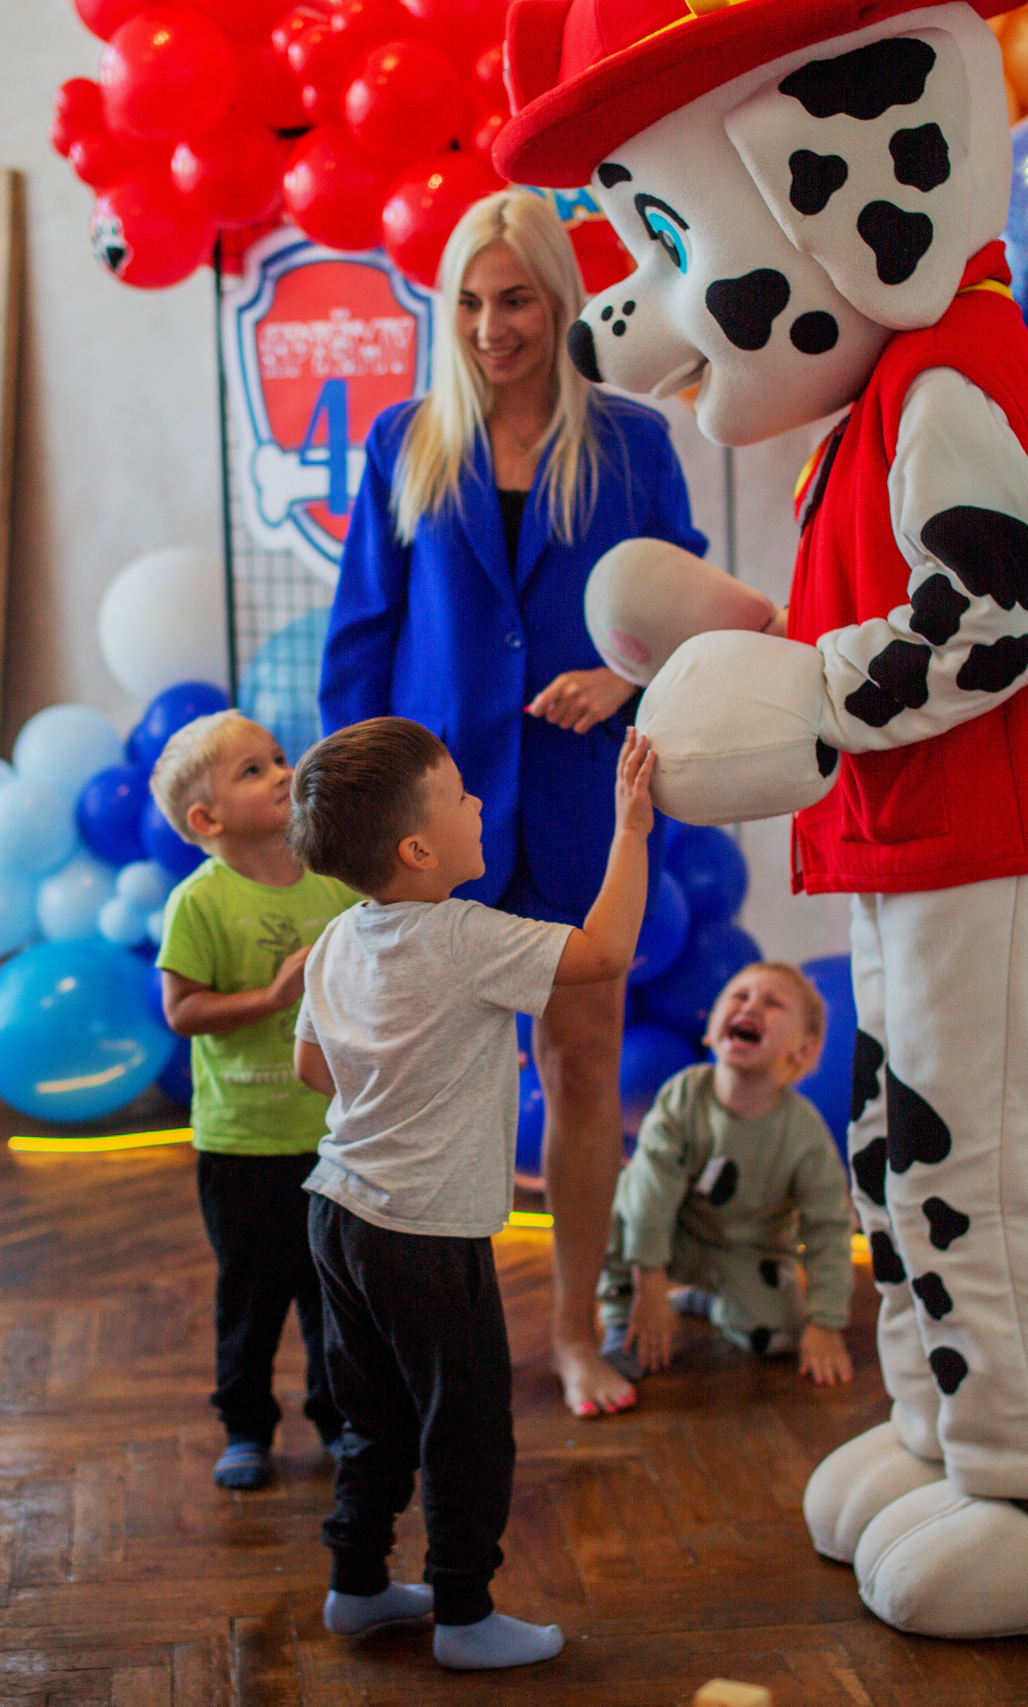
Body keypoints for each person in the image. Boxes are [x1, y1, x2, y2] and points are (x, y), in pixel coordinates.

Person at [322, 189, 707, 1420]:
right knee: (422, 1087)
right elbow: (363, 636)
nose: (494, 327)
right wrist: (354, 825)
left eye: (518, 300)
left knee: (582, 1069)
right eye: (472, 304)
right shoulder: (402, 441)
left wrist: (623, 675)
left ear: (558, 298)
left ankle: (573, 1332)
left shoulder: (635, 442)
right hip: (434, 822)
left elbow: (689, 617)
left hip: (585, 804)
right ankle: (431, 1345)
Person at [286, 716, 655, 1671]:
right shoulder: (466, 935)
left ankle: (358, 1585)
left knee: (375, 1419)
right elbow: (604, 953)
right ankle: (463, 1611)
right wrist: (631, 830)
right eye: (460, 795)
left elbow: (310, 1070)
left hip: (337, 1209)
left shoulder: (334, 939)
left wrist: (393, 1071)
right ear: (418, 847)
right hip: (426, 1232)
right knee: (468, 1424)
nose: (482, 801)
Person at [149, 711, 361, 1493]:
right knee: (251, 1294)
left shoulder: (335, 881)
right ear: (205, 819)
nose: (280, 772)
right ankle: (244, 1425)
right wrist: (274, 994)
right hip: (240, 1141)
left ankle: (338, 1418)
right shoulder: (200, 903)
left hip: (332, 1135)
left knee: (332, 1292)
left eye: (277, 758)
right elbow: (183, 1012)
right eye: (252, 770)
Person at [596, 962, 856, 1387]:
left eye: (772, 1003)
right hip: (668, 1235)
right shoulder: (684, 1095)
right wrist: (649, 1283)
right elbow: (651, 1194)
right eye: (739, 996)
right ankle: (623, 1318)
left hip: (747, 1251)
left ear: (804, 1051)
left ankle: (712, 1299)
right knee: (626, 1199)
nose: (751, 1006)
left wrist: (825, 1323)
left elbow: (828, 1225)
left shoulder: (803, 1132)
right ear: (710, 1027)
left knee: (778, 1337)